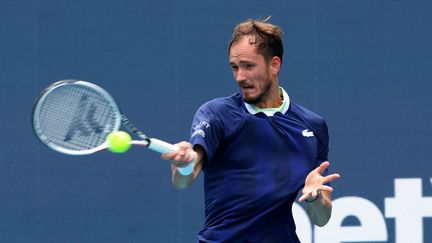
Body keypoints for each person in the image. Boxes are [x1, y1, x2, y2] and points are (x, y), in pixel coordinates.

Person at [162, 18, 341, 243]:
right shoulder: (217, 114)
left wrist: (315, 198)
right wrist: (185, 164)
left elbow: (322, 218)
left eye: (248, 66)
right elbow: (183, 180)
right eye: (235, 67)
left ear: (274, 65)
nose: (240, 77)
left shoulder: (312, 127)